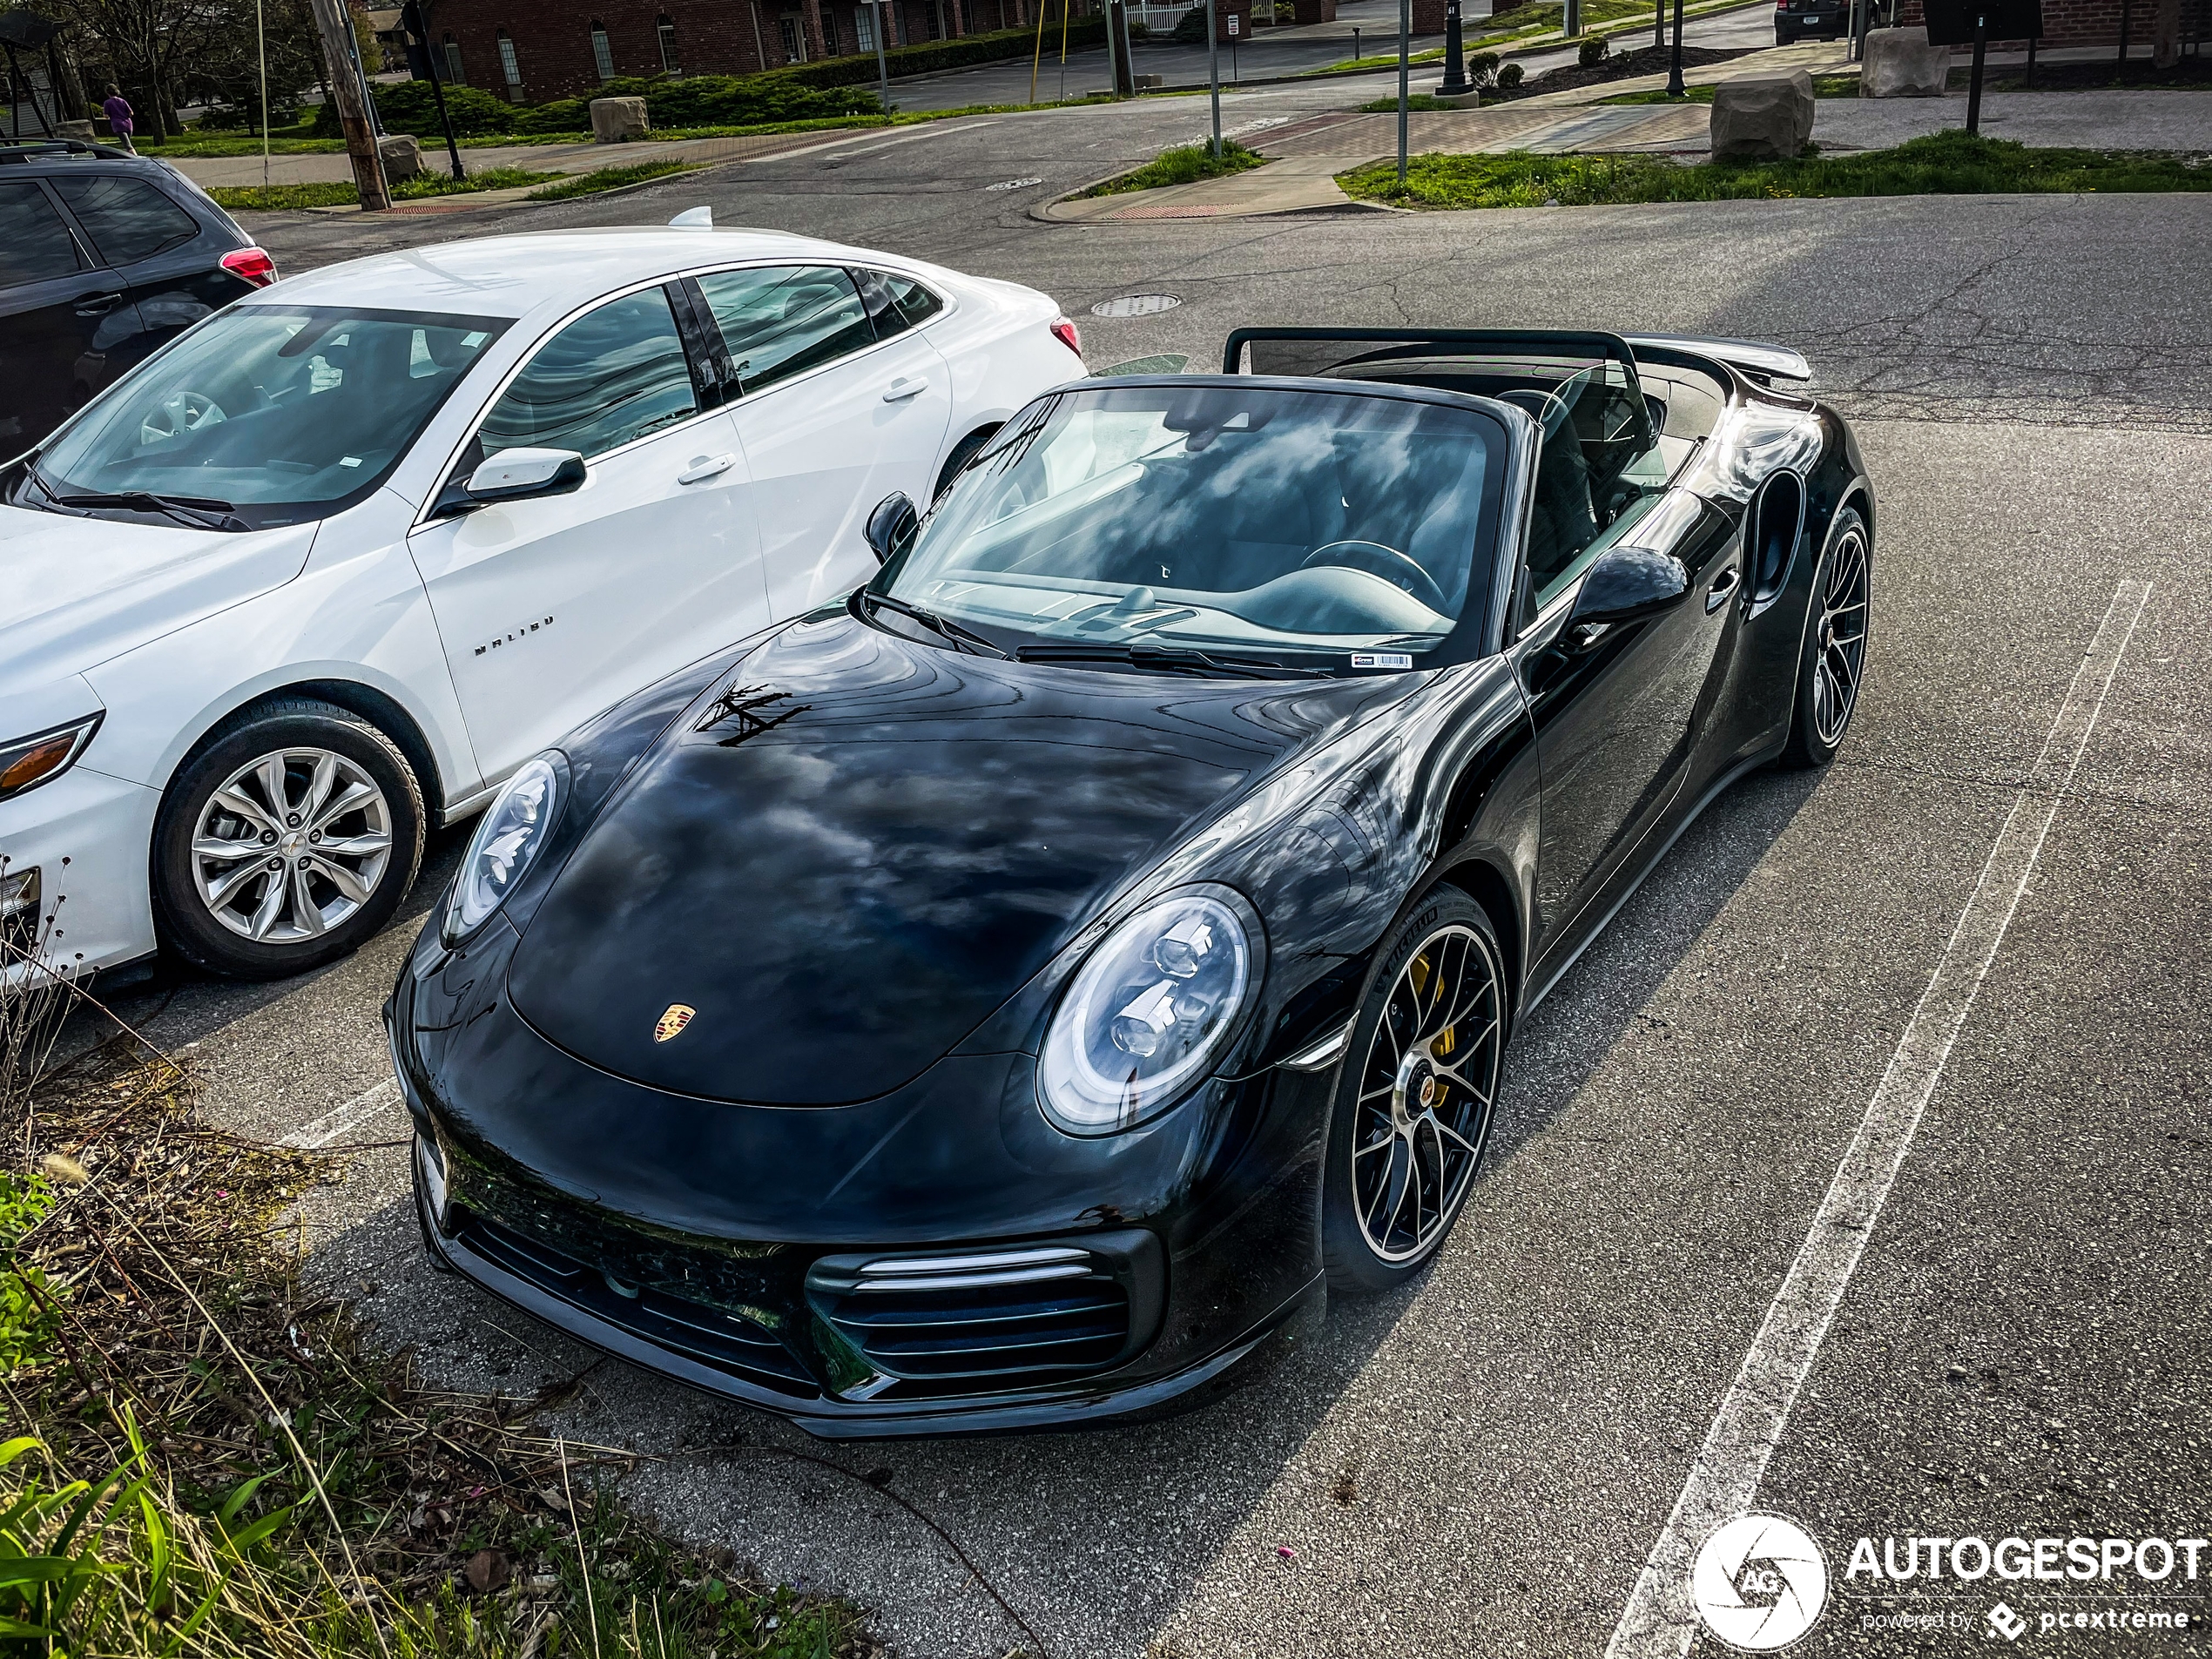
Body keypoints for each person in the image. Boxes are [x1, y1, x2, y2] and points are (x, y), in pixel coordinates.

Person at [100, 85, 135, 152]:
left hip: (118, 125)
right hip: (128, 124)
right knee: (127, 143)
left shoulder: (107, 102)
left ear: (107, 92)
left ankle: (137, 160)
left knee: (128, 146)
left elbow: (106, 116)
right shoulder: (123, 101)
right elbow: (131, 113)